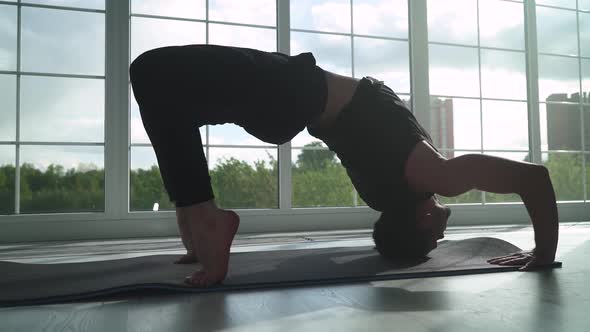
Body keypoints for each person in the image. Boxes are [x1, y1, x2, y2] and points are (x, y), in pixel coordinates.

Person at [129, 44, 559, 287]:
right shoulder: (411, 182)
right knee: (161, 88)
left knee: (153, 73)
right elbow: (533, 178)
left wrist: (542, 254)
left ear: (422, 218)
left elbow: (533, 178)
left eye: (435, 238)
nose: (444, 233)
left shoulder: (423, 180)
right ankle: (196, 218)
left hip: (292, 93)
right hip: (288, 105)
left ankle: (201, 219)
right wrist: (543, 252)